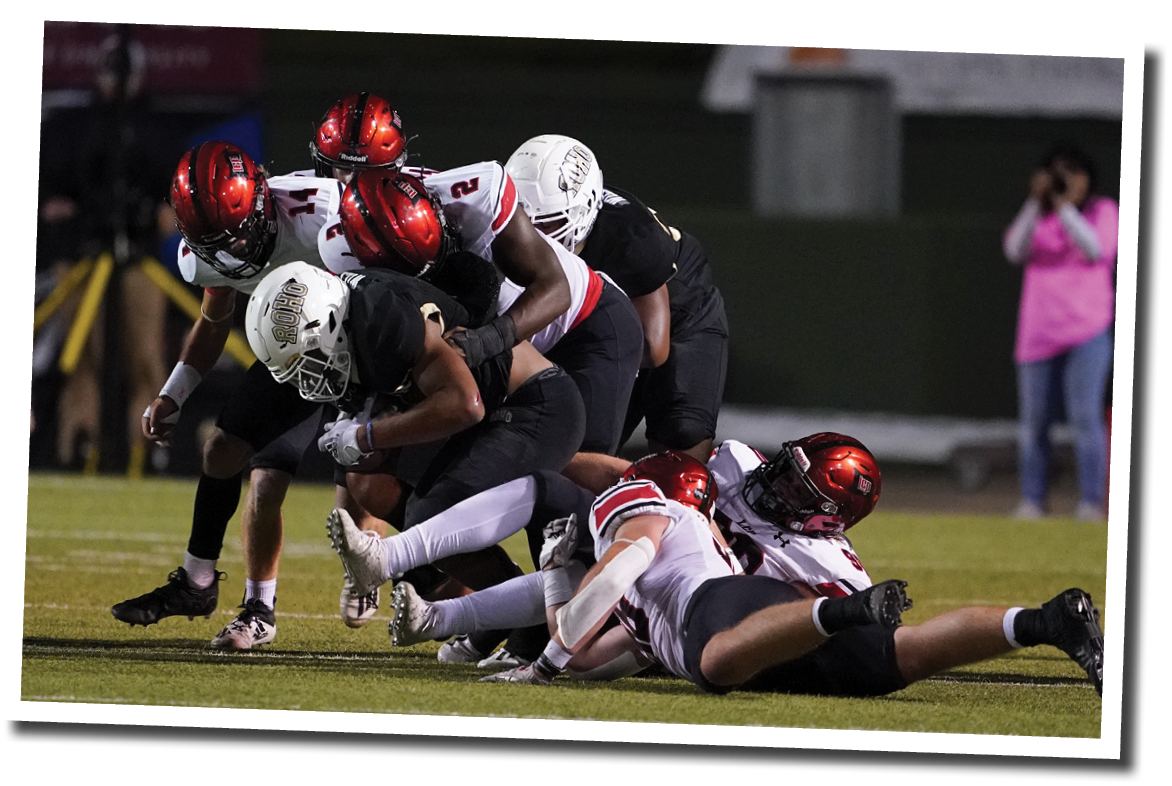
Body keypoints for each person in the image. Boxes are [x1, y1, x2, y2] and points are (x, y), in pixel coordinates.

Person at [456, 445, 1102, 697]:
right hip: (731, 619)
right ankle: (1043, 621)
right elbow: (644, 478)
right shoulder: (737, 466)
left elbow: (626, 564)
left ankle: (838, 613)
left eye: (797, 492)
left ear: (827, 521)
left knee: (716, 662)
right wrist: (553, 456)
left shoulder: (823, 558)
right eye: (786, 472)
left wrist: (550, 658)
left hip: (743, 611)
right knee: (902, 655)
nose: (775, 487)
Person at [244, 261, 587, 634]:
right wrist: (365, 428)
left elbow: (464, 404)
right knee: (366, 480)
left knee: (431, 519)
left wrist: (365, 436)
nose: (310, 378)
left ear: (327, 324)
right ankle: (510, 610)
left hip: (533, 406)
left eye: (311, 361)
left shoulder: (381, 320)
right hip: (485, 417)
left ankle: (525, 622)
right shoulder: (350, 320)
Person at [110, 142, 343, 650]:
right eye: (214, 242)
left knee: (375, 494)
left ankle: (471, 604)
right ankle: (218, 593)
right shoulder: (210, 250)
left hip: (368, 346)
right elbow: (214, 323)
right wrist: (173, 395)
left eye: (237, 234)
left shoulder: (323, 211)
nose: (232, 251)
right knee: (227, 454)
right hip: (299, 353)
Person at [505, 134, 729, 466]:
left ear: (583, 210)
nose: (534, 233)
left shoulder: (631, 238)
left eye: (548, 221)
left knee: (679, 441)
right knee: (578, 445)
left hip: (679, 313)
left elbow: (653, 347)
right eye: (523, 220)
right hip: (602, 324)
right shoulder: (499, 218)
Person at [1002, 144, 1118, 522]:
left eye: (1071, 172)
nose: (1064, 180)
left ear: (1087, 177)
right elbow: (1014, 250)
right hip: (1037, 333)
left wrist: (1066, 207)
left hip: (1087, 331)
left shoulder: (1103, 211)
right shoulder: (1038, 216)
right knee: (1034, 423)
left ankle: (1091, 502)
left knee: (1085, 419)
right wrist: (1036, 202)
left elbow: (1096, 249)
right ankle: (1032, 501)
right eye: (1056, 173)